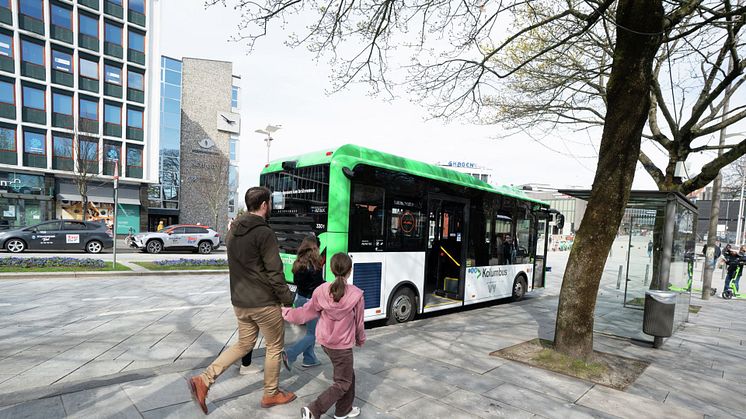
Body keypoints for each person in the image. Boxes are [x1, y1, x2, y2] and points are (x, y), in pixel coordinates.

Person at [188, 187, 296, 413]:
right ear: (265, 205)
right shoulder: (264, 233)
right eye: (269, 204)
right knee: (275, 346)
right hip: (263, 302)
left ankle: (205, 379)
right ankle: (271, 394)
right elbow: (275, 272)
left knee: (244, 345)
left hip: (240, 302)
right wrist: (287, 299)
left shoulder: (233, 231)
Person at [283, 253, 365, 419]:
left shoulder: (321, 291)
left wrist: (283, 312)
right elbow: (359, 323)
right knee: (343, 383)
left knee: (348, 376)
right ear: (350, 271)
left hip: (327, 343)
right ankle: (314, 409)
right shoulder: (356, 295)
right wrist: (360, 339)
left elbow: (304, 314)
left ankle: (343, 410)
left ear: (331, 269)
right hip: (342, 346)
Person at [284, 236, 326, 369]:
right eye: (318, 247)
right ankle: (290, 354)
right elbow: (318, 285)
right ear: (314, 247)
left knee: (309, 331)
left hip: (300, 299)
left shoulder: (298, 263)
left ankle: (309, 358)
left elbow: (297, 283)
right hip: (311, 301)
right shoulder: (315, 265)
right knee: (312, 334)